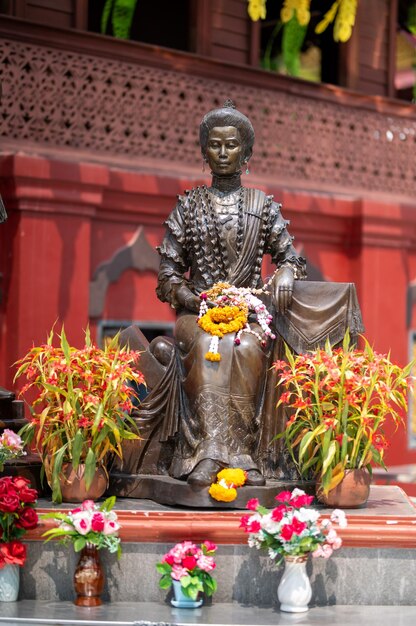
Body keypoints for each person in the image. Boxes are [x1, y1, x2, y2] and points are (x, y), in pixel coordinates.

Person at [150, 100, 306, 487]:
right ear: (205, 152)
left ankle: (244, 456)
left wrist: (286, 273)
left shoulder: (262, 206)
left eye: (231, 145)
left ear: (246, 153)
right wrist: (197, 300)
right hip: (197, 312)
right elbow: (168, 276)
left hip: (249, 315)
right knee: (207, 347)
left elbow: (291, 258)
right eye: (215, 145)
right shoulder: (188, 207)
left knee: (248, 349)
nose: (222, 153)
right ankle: (206, 453)